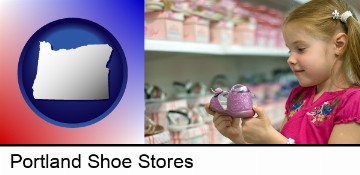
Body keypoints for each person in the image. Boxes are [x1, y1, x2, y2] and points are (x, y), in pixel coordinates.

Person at [205, 0, 360, 144]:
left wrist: (272, 139)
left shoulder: (353, 102)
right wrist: (238, 136)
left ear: (339, 45)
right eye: (289, 51)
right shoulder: (299, 95)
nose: (290, 59)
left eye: (300, 49)